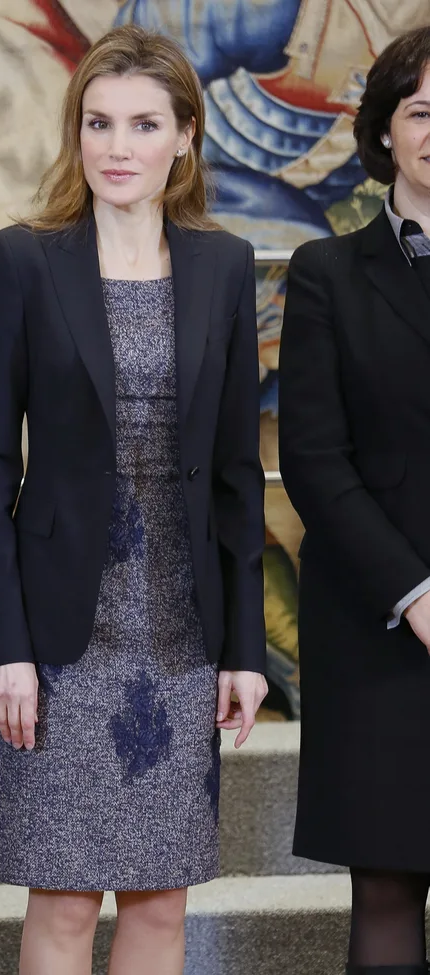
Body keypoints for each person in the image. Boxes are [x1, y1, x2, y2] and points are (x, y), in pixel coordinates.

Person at [0, 24, 267, 975]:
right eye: (98, 123)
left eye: (143, 124)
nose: (118, 147)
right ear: (76, 133)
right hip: (57, 643)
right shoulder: (23, 257)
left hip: (179, 634)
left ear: (185, 137)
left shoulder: (224, 266)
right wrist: (2, 645)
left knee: (162, 905)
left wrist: (245, 650)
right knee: (59, 902)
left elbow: (234, 477)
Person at [279, 25, 430, 975]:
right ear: (387, 131)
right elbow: (315, 460)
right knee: (385, 888)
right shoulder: (327, 274)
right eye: (424, 111)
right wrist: (417, 594)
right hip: (380, 628)